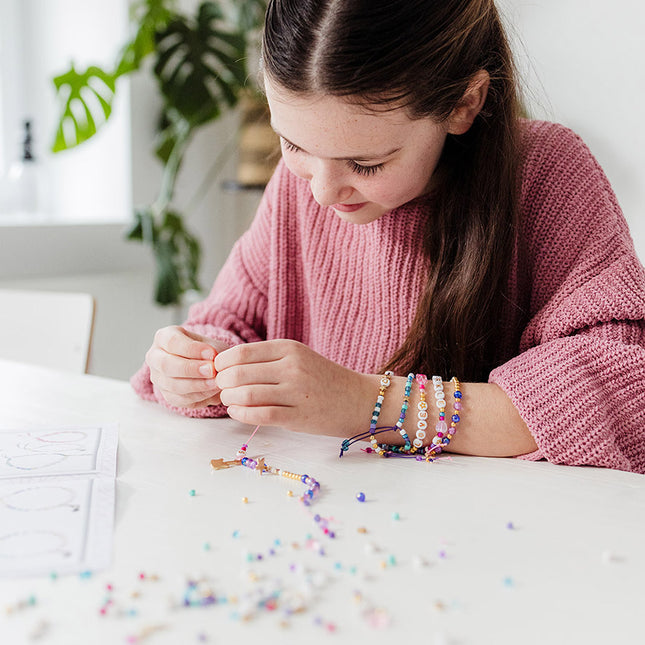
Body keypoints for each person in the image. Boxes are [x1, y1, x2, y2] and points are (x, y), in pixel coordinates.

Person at [132, 0, 645, 473]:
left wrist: (363, 403)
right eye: (293, 143)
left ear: (464, 104)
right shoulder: (298, 187)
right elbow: (227, 323)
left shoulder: (548, 173)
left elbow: (624, 390)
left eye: (366, 163)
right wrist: (194, 367)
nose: (325, 193)